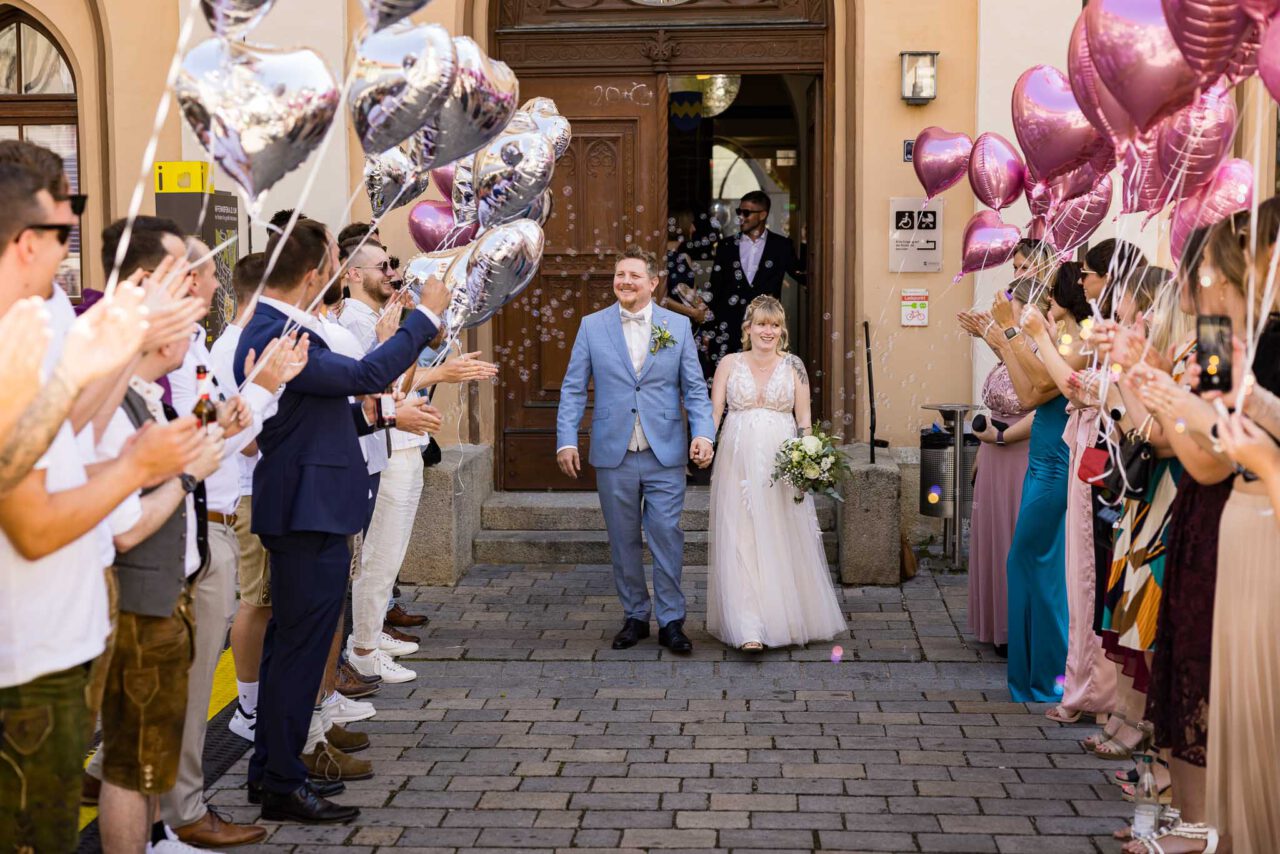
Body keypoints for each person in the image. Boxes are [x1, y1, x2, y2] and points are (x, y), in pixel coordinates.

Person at [0, 162, 190, 854]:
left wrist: (115, 359)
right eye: (64, 229)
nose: (69, 248)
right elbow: (31, 522)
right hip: (26, 660)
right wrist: (141, 467)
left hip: (58, 638)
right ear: (28, 241)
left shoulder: (39, 321)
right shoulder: (18, 336)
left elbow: (50, 449)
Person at [233, 218, 449, 823]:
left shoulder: (288, 326)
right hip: (307, 509)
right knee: (299, 651)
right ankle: (281, 781)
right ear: (315, 273)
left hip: (311, 502)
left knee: (291, 647)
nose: (338, 266)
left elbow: (313, 415)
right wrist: (425, 318)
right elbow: (363, 376)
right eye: (333, 258)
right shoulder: (276, 330)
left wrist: (378, 417)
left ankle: (271, 771)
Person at [555, 246, 715, 654]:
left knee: (666, 535)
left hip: (666, 451)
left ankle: (672, 620)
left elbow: (695, 389)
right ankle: (635, 616)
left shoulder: (677, 326)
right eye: (619, 275)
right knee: (622, 539)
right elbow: (573, 388)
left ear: (653, 282)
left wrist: (704, 434)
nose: (624, 281)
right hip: (614, 452)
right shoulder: (592, 326)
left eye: (633, 275)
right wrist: (567, 439)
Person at [705, 295, 846, 651]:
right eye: (761, 324)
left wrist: (809, 458)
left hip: (780, 463)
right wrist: (704, 441)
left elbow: (804, 421)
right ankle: (748, 626)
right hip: (736, 462)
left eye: (774, 325)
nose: (767, 331)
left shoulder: (794, 366)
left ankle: (781, 618)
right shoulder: (729, 363)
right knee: (741, 537)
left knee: (780, 535)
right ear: (747, 328)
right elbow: (715, 413)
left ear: (782, 330)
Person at [1019, 263, 1118, 725]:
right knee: (1077, 572)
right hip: (1078, 448)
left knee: (1086, 573)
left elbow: (1063, 386)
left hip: (1092, 455)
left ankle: (1087, 687)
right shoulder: (1093, 334)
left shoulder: (1095, 337)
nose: (1081, 280)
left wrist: (1031, 334)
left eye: (1089, 272)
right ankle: (1079, 683)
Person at [991, 279, 1070, 703]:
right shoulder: (1053, 337)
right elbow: (1027, 395)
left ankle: (1051, 674)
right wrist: (1005, 340)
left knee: (1030, 561)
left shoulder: (1071, 344)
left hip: (1057, 461)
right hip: (1040, 461)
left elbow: (1040, 386)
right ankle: (1033, 675)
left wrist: (1010, 333)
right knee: (1034, 565)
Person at [956, 279, 1042, 657]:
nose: (1000, 308)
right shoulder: (1011, 346)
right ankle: (996, 623)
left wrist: (1002, 437)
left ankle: (1015, 629)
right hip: (993, 451)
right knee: (992, 534)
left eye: (1009, 303)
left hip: (1020, 452)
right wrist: (983, 448)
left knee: (1014, 536)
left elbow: (1037, 404)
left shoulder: (1041, 348)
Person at [706, 191, 801, 366]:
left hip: (766, 329)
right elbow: (714, 290)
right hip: (729, 329)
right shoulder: (726, 246)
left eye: (746, 213)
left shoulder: (781, 246)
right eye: (739, 212)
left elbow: (801, 274)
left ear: (763, 215)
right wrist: (709, 329)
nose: (741, 217)